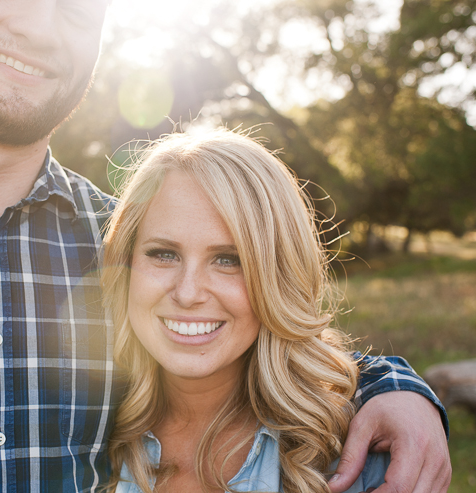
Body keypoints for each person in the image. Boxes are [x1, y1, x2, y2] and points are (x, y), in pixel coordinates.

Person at [0, 0, 450, 491]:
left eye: (77, 10)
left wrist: (398, 388)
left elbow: (261, 344)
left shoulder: (128, 245)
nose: (37, 25)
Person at [101, 130, 397, 492]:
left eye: (228, 259)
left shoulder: (354, 453)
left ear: (278, 276)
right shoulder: (84, 431)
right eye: (164, 254)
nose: (188, 292)